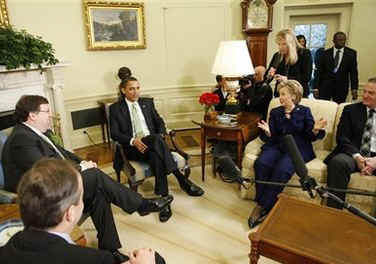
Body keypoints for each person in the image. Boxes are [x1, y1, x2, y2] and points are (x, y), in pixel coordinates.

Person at [1, 95, 173, 263]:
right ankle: (141, 205)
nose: (50, 116)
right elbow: (46, 170)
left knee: (99, 193)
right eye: (46, 111)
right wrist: (82, 169)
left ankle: (110, 249)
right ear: (32, 115)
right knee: (96, 177)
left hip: (56, 183)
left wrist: (82, 161)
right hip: (40, 193)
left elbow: (64, 154)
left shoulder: (38, 133)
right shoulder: (22, 138)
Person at [0, 158, 163, 264]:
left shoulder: (6, 250)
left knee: (99, 194)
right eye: (80, 198)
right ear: (70, 213)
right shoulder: (96, 260)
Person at [109, 76, 204, 223]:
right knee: (156, 141)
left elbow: (159, 121)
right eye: (131, 89)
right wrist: (133, 141)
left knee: (156, 154)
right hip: (133, 148)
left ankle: (163, 199)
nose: (135, 92)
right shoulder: (115, 108)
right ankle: (181, 179)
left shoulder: (147, 103)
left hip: (153, 144)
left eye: (138, 88)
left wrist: (160, 134)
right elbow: (114, 133)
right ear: (123, 90)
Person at [248, 80, 327, 228]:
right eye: (279, 94)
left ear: (293, 96)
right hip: (277, 145)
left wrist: (315, 130)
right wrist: (269, 133)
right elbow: (271, 135)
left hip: (297, 149)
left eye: (283, 94)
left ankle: (260, 207)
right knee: (262, 163)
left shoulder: (304, 111)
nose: (280, 97)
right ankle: (267, 204)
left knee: (282, 169)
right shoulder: (275, 112)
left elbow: (310, 136)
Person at [325, 77, 376, 209]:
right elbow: (342, 137)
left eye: (371, 93)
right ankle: (333, 214)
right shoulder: (350, 110)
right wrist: (357, 156)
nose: (365, 95)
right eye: (364, 91)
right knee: (338, 162)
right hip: (353, 153)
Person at [266, 29, 313, 98]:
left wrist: (287, 79)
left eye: (284, 44)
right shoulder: (277, 55)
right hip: (281, 94)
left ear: (291, 43)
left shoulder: (304, 53)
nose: (280, 47)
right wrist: (269, 75)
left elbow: (306, 77)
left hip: (298, 95)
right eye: (279, 44)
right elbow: (268, 78)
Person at [314, 32, 358, 104]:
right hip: (325, 87)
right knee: (324, 107)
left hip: (341, 87)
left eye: (343, 40)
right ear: (333, 41)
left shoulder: (351, 53)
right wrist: (315, 87)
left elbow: (353, 72)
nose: (342, 42)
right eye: (339, 40)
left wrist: (354, 88)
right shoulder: (325, 54)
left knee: (339, 108)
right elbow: (319, 71)